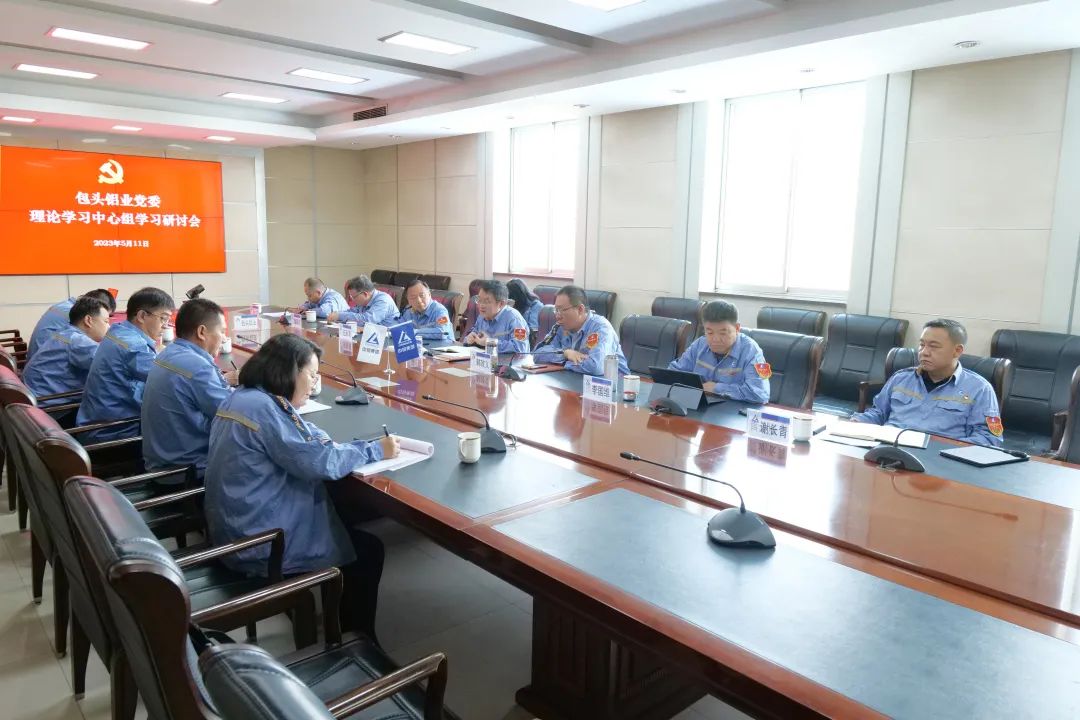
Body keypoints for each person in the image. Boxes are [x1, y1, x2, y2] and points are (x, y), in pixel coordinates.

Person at [204, 333, 400, 639]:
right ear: (288, 372)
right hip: (261, 543)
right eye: (312, 375)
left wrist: (322, 442)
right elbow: (321, 462)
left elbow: (304, 433)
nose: (314, 383)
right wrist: (376, 449)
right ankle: (354, 642)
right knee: (368, 551)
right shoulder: (265, 409)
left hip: (234, 527)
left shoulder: (246, 397)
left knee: (342, 512)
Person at [851, 318, 1003, 447]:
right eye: (922, 345)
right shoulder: (901, 378)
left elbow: (989, 438)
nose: (924, 352)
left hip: (940, 459)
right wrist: (857, 422)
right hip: (888, 448)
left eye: (933, 346)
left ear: (957, 351)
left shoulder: (980, 389)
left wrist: (946, 449)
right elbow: (878, 413)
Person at [141, 299, 238, 480]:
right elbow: (234, 415)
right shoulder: (198, 366)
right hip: (187, 472)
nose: (224, 338)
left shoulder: (169, 352)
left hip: (162, 462)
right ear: (202, 332)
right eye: (222, 331)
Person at [76, 287, 175, 443]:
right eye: (163, 318)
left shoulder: (119, 331)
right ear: (142, 316)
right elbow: (168, 380)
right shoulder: (134, 346)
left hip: (94, 424)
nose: (166, 325)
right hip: (116, 435)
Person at [667, 300, 770, 403]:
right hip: (699, 405)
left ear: (737, 328)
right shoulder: (699, 345)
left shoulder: (752, 352)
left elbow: (760, 394)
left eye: (722, 333)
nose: (715, 339)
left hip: (733, 409)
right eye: (710, 332)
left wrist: (716, 388)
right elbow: (672, 373)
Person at [21, 296, 111, 408]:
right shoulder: (77, 341)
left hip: (34, 402)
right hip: (52, 408)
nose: (109, 326)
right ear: (88, 320)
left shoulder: (65, 333)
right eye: (106, 321)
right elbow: (112, 365)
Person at [532, 285, 628, 376]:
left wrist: (562, 363)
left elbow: (596, 367)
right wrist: (565, 353)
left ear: (580, 309)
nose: (557, 316)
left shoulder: (601, 328)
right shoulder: (560, 327)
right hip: (576, 380)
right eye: (556, 310)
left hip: (614, 384)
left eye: (562, 310)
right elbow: (537, 354)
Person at [27, 289, 116, 357]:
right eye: (105, 319)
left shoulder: (65, 305)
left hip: (40, 359)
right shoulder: (72, 313)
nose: (108, 325)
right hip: (47, 361)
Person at [463, 280, 530, 355]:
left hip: (511, 361)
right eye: (479, 300)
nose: (481, 305)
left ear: (501, 304)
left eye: (486, 301)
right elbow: (473, 334)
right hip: (487, 359)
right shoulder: (482, 315)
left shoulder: (514, 318)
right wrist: (469, 339)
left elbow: (520, 348)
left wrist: (490, 343)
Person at [329, 275, 400, 326]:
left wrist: (340, 315)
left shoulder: (383, 300)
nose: (352, 300)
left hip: (389, 338)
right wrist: (336, 314)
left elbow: (367, 320)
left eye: (354, 297)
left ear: (365, 294)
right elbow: (353, 311)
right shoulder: (364, 302)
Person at [400, 279, 454, 344]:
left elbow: (443, 332)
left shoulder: (440, 310)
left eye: (422, 295)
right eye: (413, 297)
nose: (419, 300)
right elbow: (401, 330)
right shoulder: (408, 311)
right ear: (408, 300)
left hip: (443, 348)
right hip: (419, 347)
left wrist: (415, 332)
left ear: (429, 295)